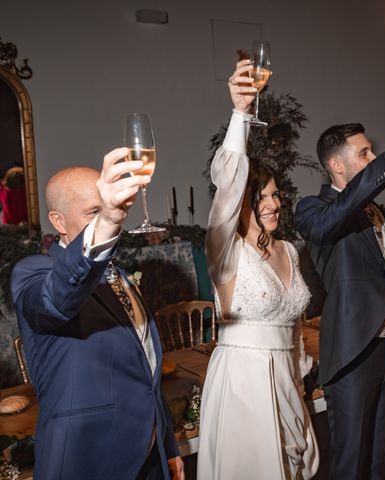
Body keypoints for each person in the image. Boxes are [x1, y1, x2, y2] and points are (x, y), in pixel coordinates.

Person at [10, 157, 184, 479]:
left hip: (149, 456)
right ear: (58, 222)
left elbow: (146, 370)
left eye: (110, 209)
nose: (113, 221)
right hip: (86, 459)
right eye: (93, 212)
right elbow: (53, 302)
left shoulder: (120, 276)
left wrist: (167, 448)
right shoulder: (33, 273)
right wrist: (106, 219)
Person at [294, 99, 385, 479]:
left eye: (374, 151)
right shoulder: (313, 211)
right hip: (352, 354)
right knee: (351, 461)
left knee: (380, 457)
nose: (373, 157)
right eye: (365, 153)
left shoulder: (382, 215)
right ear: (337, 166)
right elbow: (340, 212)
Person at [197, 59, 318, 479]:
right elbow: (228, 184)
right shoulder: (224, 251)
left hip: (287, 379)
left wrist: (300, 377)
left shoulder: (288, 248)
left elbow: (296, 326)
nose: (272, 204)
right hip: (243, 383)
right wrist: (241, 115)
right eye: (260, 197)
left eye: (275, 195)